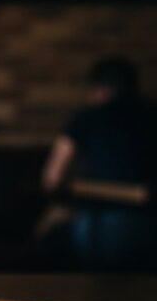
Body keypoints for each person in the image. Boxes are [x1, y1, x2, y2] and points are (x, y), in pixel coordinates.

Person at [41, 57, 157, 270]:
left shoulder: (87, 118)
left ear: (98, 89)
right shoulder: (152, 116)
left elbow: (52, 179)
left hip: (102, 226)